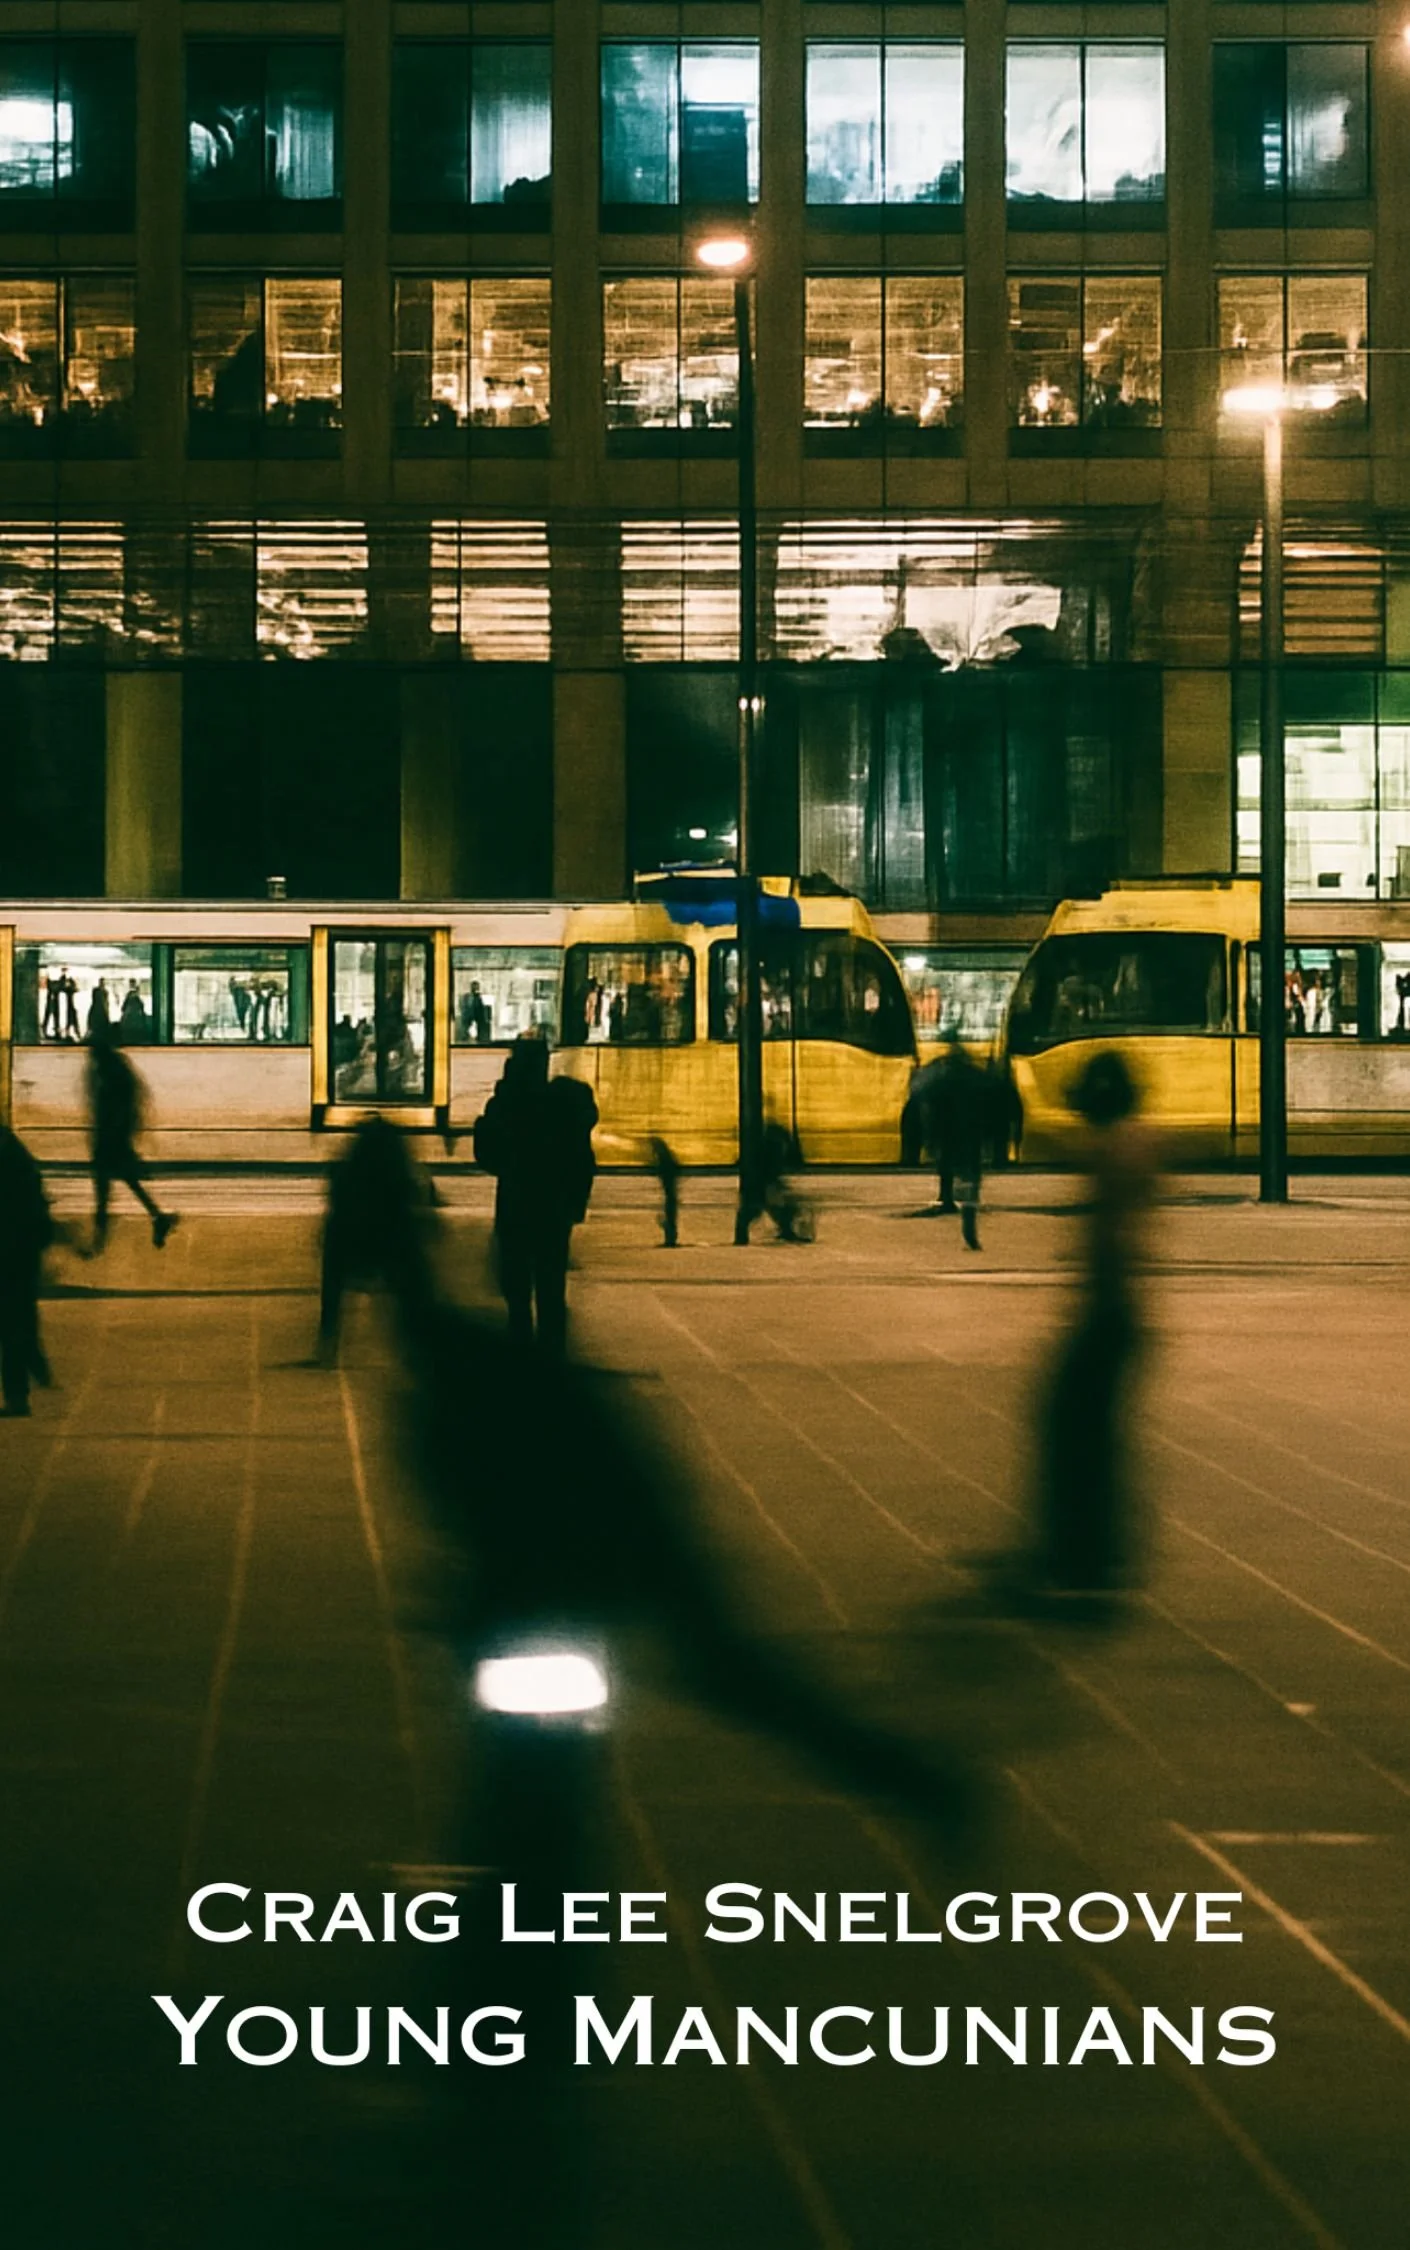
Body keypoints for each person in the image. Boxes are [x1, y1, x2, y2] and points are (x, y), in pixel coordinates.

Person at [1037, 1050, 1157, 1596]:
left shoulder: (1118, 1148)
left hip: (1110, 1313)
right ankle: (1097, 1550)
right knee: (1092, 1430)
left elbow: (1115, 1238)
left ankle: (1084, 1554)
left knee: (1076, 1428)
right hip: (1120, 1312)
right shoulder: (1133, 1142)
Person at [472, 1036, 597, 1355]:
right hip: (554, 1211)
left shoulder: (508, 1102)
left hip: (516, 1205)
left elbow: (487, 1154)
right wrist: (575, 1204)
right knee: (551, 1290)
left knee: (517, 1293)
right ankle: (552, 1356)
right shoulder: (565, 1101)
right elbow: (583, 1160)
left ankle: (522, 1354)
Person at [318, 1116, 436, 1364]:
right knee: (412, 1286)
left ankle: (329, 1336)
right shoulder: (400, 1173)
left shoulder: (347, 1171)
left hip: (350, 1239)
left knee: (334, 1287)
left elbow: (336, 1203)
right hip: (390, 1239)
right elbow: (418, 1205)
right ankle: (418, 1338)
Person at [85, 1033, 178, 1253]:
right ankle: (157, 1217)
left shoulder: (109, 1073)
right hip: (115, 1137)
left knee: (103, 1188)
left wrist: (107, 1133)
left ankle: (98, 1242)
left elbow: (111, 1107)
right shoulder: (116, 1069)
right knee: (126, 1181)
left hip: (110, 1138)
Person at [905, 1038, 989, 1246]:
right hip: (971, 1131)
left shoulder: (941, 1078)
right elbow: (992, 1100)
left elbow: (926, 1099)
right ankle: (968, 1210)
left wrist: (930, 1134)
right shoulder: (976, 1076)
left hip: (948, 1132)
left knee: (948, 1166)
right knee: (971, 1173)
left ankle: (949, 1197)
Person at [0, 1126, 54, 1417]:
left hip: (10, 1250)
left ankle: (20, 1391)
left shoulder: (7, 1153)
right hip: (21, 1249)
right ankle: (32, 1363)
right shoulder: (13, 1148)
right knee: (17, 1319)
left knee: (11, 1323)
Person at [650, 1137, 681, 1249]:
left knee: (669, 1214)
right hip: (670, 1193)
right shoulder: (667, 1158)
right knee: (670, 1214)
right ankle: (670, 1238)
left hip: (669, 1193)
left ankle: (670, 1239)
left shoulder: (663, 1160)